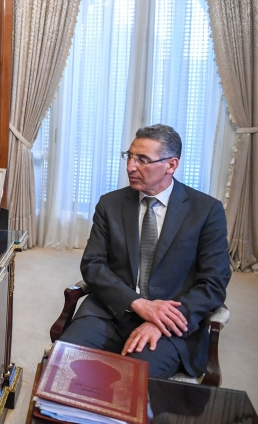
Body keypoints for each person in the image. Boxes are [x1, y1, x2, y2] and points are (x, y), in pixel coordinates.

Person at [58, 124, 230, 379]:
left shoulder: (206, 211)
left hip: (168, 326)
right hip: (109, 312)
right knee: (62, 370)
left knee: (132, 383)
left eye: (142, 160)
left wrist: (160, 321)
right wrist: (138, 304)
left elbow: (214, 282)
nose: (130, 167)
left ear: (171, 165)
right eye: (129, 156)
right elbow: (93, 265)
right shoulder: (110, 204)